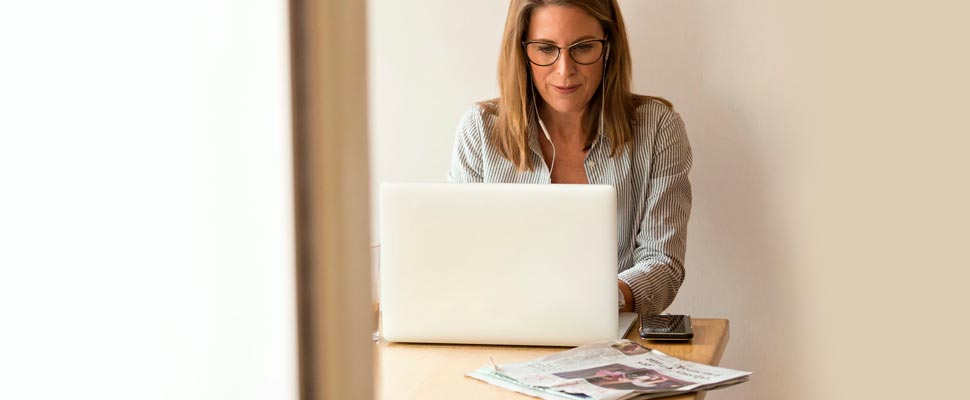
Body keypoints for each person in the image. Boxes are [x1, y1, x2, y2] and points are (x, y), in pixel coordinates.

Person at [447, 0, 692, 317]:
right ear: (522, 51)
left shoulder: (658, 128)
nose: (565, 71)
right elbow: (462, 260)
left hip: (610, 339)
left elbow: (663, 264)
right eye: (546, 49)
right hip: (502, 333)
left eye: (583, 47)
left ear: (608, 48)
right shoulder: (480, 129)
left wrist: (597, 304)